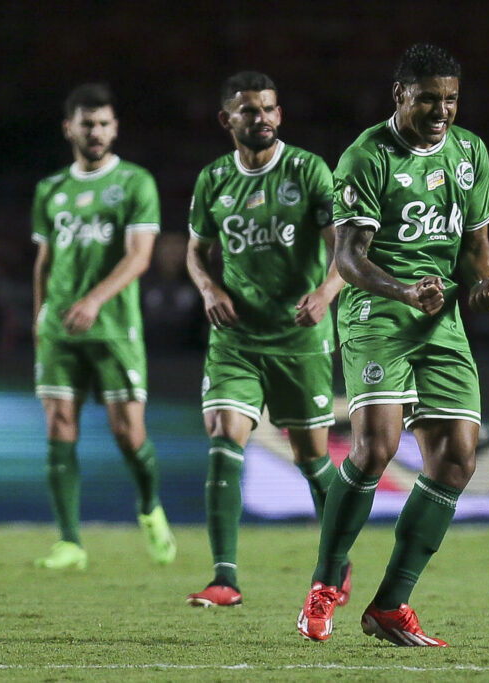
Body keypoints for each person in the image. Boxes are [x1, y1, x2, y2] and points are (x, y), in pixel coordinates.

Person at [296, 43, 489, 647]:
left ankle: (390, 605)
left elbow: (474, 242)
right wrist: (404, 291)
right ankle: (325, 582)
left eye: (451, 100)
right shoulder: (365, 157)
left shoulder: (471, 152)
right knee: (377, 446)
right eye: (429, 99)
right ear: (400, 97)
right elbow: (348, 258)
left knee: (458, 460)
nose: (442, 111)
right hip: (377, 311)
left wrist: (484, 284)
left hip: (439, 319)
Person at [184, 71, 348, 608]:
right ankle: (225, 578)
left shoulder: (308, 170)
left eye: (270, 109)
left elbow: (343, 251)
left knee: (311, 457)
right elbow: (194, 250)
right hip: (236, 338)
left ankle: (336, 562)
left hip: (300, 336)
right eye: (250, 111)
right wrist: (208, 288)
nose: (262, 119)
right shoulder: (213, 180)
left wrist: (327, 292)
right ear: (226, 119)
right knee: (224, 434)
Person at [31, 83, 176, 570]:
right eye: (86, 123)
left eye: (104, 123)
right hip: (60, 329)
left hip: (113, 325)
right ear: (68, 127)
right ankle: (70, 541)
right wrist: (39, 316)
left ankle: (150, 508)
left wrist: (94, 300)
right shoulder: (49, 190)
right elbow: (44, 261)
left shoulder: (136, 183)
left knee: (127, 432)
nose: (95, 131)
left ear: (115, 128)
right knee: (58, 422)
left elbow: (140, 258)